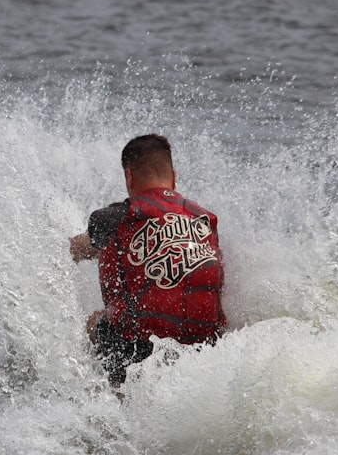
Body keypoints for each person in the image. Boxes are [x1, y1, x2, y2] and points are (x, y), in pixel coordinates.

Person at [70, 134, 227, 387]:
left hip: (138, 351)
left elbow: (80, 250)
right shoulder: (206, 220)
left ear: (129, 176)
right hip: (207, 351)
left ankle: (102, 395)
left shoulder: (114, 217)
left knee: (93, 321)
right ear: (173, 176)